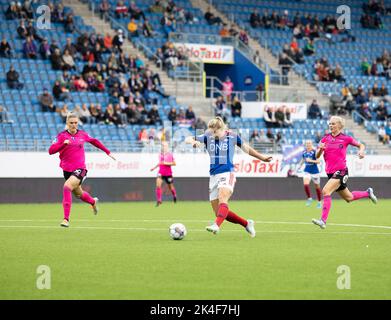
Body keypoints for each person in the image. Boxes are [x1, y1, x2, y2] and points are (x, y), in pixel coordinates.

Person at [185, 117, 272, 237]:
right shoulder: (208, 135)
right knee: (219, 212)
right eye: (210, 131)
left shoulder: (232, 136)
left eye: (214, 132)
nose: (212, 134)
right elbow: (188, 138)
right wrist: (193, 142)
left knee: (223, 197)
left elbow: (247, 149)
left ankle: (216, 225)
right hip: (213, 175)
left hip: (227, 172)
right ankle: (247, 224)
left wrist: (262, 158)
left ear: (221, 129)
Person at [49, 113, 116, 227]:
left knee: (67, 187)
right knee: (78, 194)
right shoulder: (61, 136)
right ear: (67, 123)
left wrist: (107, 151)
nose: (74, 125)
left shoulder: (82, 134)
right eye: (71, 123)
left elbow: (94, 141)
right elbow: (51, 150)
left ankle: (66, 219)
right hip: (67, 170)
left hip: (80, 169)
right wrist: (62, 145)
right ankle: (93, 202)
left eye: (75, 123)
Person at [312, 116, 378, 229]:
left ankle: (323, 220)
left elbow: (361, 145)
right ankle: (368, 193)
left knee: (326, 191)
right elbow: (316, 156)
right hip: (330, 173)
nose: (331, 125)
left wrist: (361, 152)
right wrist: (320, 149)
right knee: (349, 198)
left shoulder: (346, 138)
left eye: (333, 124)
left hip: (341, 171)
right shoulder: (325, 139)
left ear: (339, 125)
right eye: (330, 124)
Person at [150, 142, 177, 207]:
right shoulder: (160, 154)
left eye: (164, 146)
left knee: (170, 187)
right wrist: (154, 168)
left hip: (168, 173)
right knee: (158, 185)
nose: (163, 147)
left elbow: (174, 163)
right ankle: (159, 200)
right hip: (161, 172)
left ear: (167, 147)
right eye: (162, 146)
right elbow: (160, 163)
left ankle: (174, 195)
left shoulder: (170, 155)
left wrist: (166, 163)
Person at [298, 141, 322, 208]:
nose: (308, 145)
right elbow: (303, 159)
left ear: (312, 144)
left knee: (317, 187)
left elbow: (318, 161)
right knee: (306, 184)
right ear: (305, 145)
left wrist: (311, 160)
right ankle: (309, 198)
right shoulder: (304, 152)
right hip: (307, 171)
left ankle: (319, 202)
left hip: (315, 172)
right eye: (307, 144)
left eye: (309, 143)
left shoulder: (315, 152)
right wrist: (299, 165)